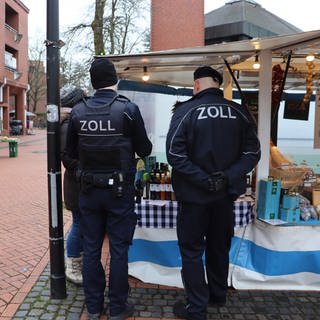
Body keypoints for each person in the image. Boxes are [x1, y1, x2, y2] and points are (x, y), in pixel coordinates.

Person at [166, 66, 261, 320]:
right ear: (217, 85)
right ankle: (217, 295)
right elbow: (253, 152)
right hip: (225, 197)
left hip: (195, 197)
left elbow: (174, 155)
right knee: (219, 246)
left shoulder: (186, 111)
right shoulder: (239, 111)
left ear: (196, 85)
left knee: (192, 250)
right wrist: (226, 177)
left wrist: (204, 179)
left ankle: (196, 307)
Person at [65, 57, 152, 320]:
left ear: (92, 83)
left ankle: (93, 307)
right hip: (119, 193)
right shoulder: (128, 110)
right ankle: (117, 308)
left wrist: (84, 171)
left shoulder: (78, 112)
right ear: (115, 80)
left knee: (91, 248)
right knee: (118, 250)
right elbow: (145, 149)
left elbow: (68, 155)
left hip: (89, 192)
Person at [60, 85, 86, 285]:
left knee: (82, 224)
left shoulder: (73, 121)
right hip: (76, 184)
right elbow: (67, 158)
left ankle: (78, 259)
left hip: (78, 182)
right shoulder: (69, 125)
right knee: (78, 224)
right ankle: (72, 264)